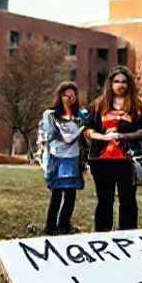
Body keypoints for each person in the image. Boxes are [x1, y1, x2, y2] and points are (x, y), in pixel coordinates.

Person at [83, 66, 142, 231]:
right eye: (117, 81)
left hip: (127, 159)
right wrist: (103, 137)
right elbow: (88, 130)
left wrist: (125, 136)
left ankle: (128, 235)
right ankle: (102, 235)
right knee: (105, 200)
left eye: (124, 82)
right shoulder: (99, 105)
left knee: (128, 199)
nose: (120, 85)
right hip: (102, 159)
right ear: (110, 84)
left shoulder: (138, 105)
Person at [37, 81, 88, 235]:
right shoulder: (51, 115)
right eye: (66, 95)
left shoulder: (82, 115)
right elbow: (61, 138)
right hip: (56, 157)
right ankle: (51, 226)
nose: (69, 99)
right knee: (56, 193)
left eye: (73, 95)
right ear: (60, 96)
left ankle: (64, 225)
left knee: (71, 194)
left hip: (73, 158)